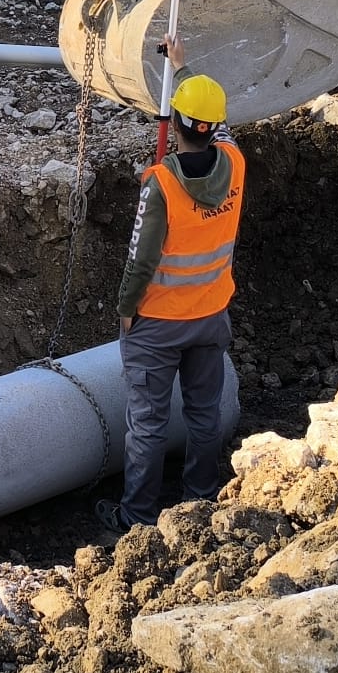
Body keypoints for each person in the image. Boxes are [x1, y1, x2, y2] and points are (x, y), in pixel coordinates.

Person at [98, 66, 244, 534]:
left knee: (148, 424)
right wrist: (181, 68)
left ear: (174, 123)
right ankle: (199, 503)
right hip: (211, 316)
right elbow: (219, 125)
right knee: (204, 415)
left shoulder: (159, 184)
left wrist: (125, 312)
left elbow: (140, 261)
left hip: (158, 323)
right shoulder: (236, 164)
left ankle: (137, 520)